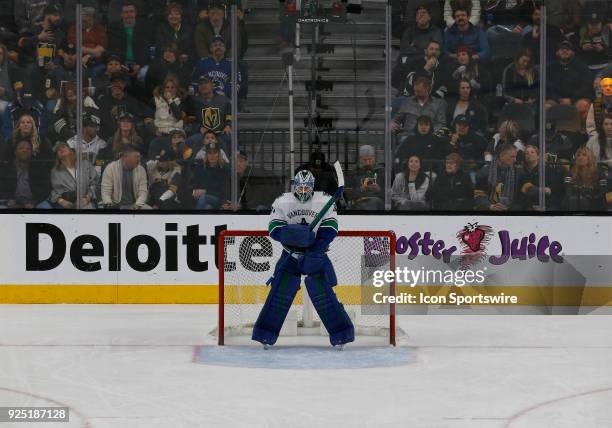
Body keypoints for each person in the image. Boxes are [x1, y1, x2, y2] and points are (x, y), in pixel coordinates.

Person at [252, 169, 353, 348]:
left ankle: (341, 335)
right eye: (300, 187)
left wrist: (316, 248)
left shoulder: (324, 201)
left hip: (316, 254)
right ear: (294, 186)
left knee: (324, 293)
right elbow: (274, 228)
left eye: (307, 187)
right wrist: (295, 235)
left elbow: (331, 227)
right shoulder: (283, 202)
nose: (304, 191)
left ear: (312, 187)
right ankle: (265, 334)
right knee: (280, 291)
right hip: (290, 255)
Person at [38, 141, 99, 209]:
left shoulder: (85, 164)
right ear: (57, 156)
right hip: (66, 203)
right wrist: (61, 201)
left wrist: (87, 198)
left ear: (70, 150)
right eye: (58, 150)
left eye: (63, 147)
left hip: (86, 201)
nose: (61, 150)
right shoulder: (55, 171)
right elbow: (54, 190)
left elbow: (95, 182)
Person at [0, 139, 50, 208]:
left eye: (28, 148)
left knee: (46, 208)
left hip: (34, 202)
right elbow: (2, 187)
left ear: (31, 152)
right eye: (21, 148)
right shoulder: (6, 168)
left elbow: (45, 189)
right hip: (11, 202)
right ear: (15, 152)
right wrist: (9, 200)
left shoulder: (39, 168)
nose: (25, 150)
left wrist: (34, 202)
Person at [100, 144, 150, 209]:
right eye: (136, 157)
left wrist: (137, 205)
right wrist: (109, 205)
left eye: (140, 157)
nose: (139, 159)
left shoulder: (141, 169)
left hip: (135, 204)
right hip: (115, 205)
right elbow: (105, 192)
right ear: (125, 157)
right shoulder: (110, 168)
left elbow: (143, 191)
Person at [517, 144, 564, 210]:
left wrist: (549, 189)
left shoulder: (548, 170)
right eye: (526, 153)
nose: (529, 154)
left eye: (532, 152)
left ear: (538, 156)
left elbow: (558, 187)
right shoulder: (522, 174)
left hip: (547, 202)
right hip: (529, 204)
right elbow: (519, 193)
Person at [474, 144, 520, 211]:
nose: (515, 160)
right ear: (502, 155)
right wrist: (490, 206)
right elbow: (479, 196)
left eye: (515, 157)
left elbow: (518, 196)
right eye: (512, 157)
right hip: (489, 209)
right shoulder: (484, 172)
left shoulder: (516, 172)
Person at [547, 41, 594, 105]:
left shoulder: (582, 67)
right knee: (546, 106)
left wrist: (572, 99)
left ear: (573, 53)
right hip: (556, 99)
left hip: (577, 98)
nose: (564, 51)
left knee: (583, 105)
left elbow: (586, 87)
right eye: (561, 49)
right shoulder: (550, 68)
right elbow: (547, 88)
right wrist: (558, 100)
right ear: (557, 53)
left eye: (568, 49)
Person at [562, 146, 608, 211]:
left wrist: (589, 197)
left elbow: (602, 192)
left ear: (590, 158)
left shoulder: (600, 173)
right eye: (578, 155)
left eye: (584, 155)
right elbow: (568, 191)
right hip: (574, 202)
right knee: (574, 200)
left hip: (594, 203)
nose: (581, 157)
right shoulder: (570, 173)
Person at [345, 145, 385, 210]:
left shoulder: (382, 173)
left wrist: (379, 190)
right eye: (365, 160)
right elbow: (347, 195)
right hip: (359, 204)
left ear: (374, 159)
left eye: (370, 159)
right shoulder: (353, 173)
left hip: (378, 205)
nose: (367, 163)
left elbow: (391, 195)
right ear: (360, 160)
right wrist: (361, 189)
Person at [191, 142, 230, 209]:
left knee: (204, 198)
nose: (212, 156)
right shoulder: (200, 168)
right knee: (207, 207)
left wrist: (206, 191)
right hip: (201, 199)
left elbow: (223, 189)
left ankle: (195, 218)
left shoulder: (224, 169)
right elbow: (194, 183)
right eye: (210, 153)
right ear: (206, 155)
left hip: (218, 199)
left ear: (219, 154)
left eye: (215, 153)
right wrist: (195, 190)